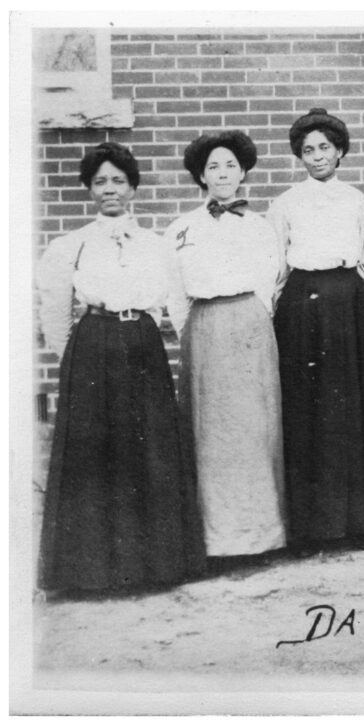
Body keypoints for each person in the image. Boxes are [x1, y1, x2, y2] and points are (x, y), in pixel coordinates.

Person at [36, 142, 205, 593]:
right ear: (89, 189)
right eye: (100, 182)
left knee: (147, 449)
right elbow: (54, 311)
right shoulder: (71, 245)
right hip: (93, 346)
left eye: (117, 180)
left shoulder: (156, 243)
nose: (109, 189)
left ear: (132, 187)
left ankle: (154, 566)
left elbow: (177, 303)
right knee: (96, 455)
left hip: (142, 345)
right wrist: (74, 357)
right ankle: (91, 571)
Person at [268, 108, 364, 555]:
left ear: (340, 151)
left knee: (352, 408)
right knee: (307, 410)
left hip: (348, 302)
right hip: (301, 307)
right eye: (307, 150)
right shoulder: (285, 204)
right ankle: (310, 529)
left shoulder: (358, 201)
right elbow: (276, 268)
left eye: (324, 147)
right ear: (299, 157)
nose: (316, 156)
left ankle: (361, 522)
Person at [166, 130, 287, 563]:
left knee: (254, 430)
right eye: (213, 166)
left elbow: (270, 282)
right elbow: (175, 294)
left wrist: (248, 322)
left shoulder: (259, 227)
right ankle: (216, 541)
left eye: (230, 165)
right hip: (204, 329)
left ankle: (261, 538)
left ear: (243, 173)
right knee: (210, 433)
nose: (222, 174)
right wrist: (196, 331)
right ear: (200, 174)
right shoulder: (181, 229)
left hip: (249, 325)